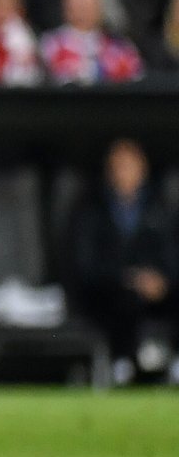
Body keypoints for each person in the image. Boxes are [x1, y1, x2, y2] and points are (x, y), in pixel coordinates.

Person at [63, 139, 176, 385]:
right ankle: (122, 364)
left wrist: (161, 280)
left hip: (157, 292)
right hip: (109, 293)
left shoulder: (160, 208)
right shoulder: (90, 209)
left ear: (143, 169)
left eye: (129, 166)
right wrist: (128, 278)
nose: (124, 173)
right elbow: (85, 265)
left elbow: (171, 255)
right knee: (125, 301)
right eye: (118, 166)